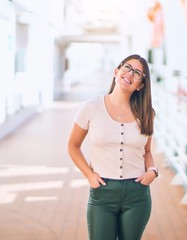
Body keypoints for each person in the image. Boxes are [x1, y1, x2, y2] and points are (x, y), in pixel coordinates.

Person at [67, 54, 158, 240]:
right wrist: (89, 175)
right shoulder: (91, 107)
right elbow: (73, 146)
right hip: (103, 194)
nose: (130, 74)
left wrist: (153, 171)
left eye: (137, 73)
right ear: (116, 71)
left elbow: (147, 151)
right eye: (127, 67)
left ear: (140, 85)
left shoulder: (147, 113)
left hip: (137, 195)